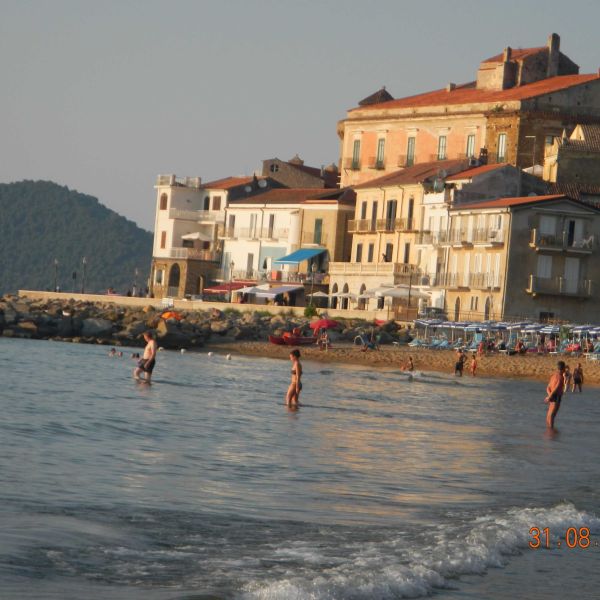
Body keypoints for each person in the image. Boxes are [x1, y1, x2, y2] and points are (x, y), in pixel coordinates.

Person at [544, 361, 566, 428]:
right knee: (552, 416)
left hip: (552, 395)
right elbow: (556, 388)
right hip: (556, 396)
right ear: (563, 368)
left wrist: (549, 395)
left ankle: (549, 430)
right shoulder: (560, 377)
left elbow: (548, 387)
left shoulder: (554, 376)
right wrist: (550, 397)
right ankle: (551, 431)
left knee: (549, 415)